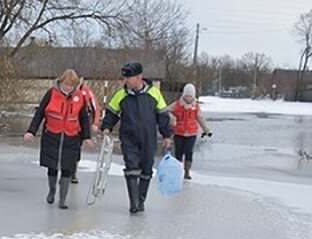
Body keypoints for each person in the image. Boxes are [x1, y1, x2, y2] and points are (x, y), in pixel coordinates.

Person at [100, 61, 173, 214]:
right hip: (129, 137)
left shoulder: (154, 94)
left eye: (129, 77)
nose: (126, 81)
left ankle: (141, 200)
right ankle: (133, 203)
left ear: (139, 77)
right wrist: (106, 127)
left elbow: (163, 115)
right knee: (131, 167)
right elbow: (111, 113)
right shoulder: (121, 95)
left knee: (146, 168)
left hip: (148, 138)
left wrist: (167, 135)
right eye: (124, 78)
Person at [25, 69, 94, 209]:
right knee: (52, 166)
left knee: (67, 167)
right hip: (52, 135)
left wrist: (86, 137)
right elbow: (40, 113)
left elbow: (84, 119)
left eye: (71, 85)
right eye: (65, 84)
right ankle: (52, 191)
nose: (68, 87)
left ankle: (63, 199)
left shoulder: (80, 97)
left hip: (71, 136)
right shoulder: (51, 93)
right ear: (60, 82)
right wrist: (31, 131)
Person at [168, 83, 212, 180]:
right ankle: (177, 170)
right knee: (178, 152)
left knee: (189, 151)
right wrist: (172, 118)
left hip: (191, 133)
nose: (188, 98)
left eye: (190, 96)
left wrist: (207, 130)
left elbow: (200, 118)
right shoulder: (177, 104)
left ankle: (187, 171)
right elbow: (167, 111)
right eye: (186, 96)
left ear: (193, 96)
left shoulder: (196, 106)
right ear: (183, 95)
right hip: (179, 132)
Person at [70, 76, 102, 184]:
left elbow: (96, 108)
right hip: (67, 124)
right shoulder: (66, 90)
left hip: (81, 125)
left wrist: (95, 123)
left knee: (76, 148)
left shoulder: (87, 92)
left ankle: (73, 172)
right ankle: (64, 170)